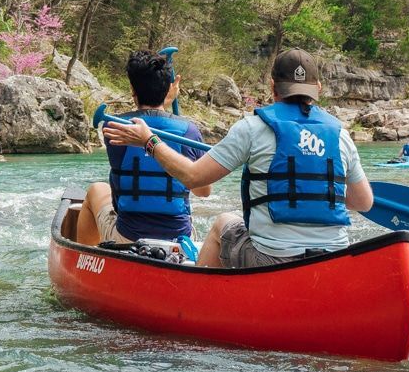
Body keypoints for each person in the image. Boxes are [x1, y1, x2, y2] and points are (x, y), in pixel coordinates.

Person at [100, 48, 373, 269]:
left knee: (223, 223)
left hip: (271, 259)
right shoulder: (341, 135)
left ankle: (197, 299)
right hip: (332, 259)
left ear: (272, 87)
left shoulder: (252, 128)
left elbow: (194, 178)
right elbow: (363, 202)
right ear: (318, 88)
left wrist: (149, 141)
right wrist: (316, 192)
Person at [74, 48, 209, 253]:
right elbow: (203, 191)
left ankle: (85, 257)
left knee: (96, 189)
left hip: (127, 237)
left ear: (132, 89)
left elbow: (147, 121)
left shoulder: (114, 127)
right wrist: (165, 99)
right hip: (179, 239)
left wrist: (161, 99)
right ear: (169, 89)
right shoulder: (190, 132)